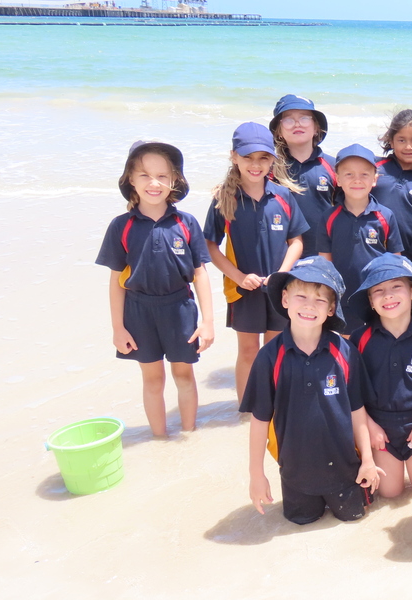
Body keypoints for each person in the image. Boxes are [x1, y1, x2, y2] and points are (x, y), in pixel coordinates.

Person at [242, 256, 380, 524]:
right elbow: (259, 420)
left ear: (331, 309)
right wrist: (256, 475)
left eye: (320, 300)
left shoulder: (345, 352)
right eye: (300, 296)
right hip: (295, 475)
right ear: (284, 299)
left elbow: (357, 411)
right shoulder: (269, 357)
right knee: (299, 525)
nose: (309, 306)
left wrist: (368, 460)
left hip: (346, 472)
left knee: (355, 522)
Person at [96, 141, 214, 436]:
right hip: (139, 312)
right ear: (130, 181)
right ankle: (159, 439)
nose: (154, 183)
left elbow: (200, 273)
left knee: (184, 374)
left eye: (163, 175)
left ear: (174, 180)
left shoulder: (186, 223)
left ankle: (190, 434)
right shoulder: (120, 226)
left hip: (180, 309)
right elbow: (116, 282)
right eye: (145, 175)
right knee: (152, 379)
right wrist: (117, 328)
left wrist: (208, 322)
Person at [204, 122, 308, 402]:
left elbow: (296, 242)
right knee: (248, 352)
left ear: (272, 159)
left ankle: (273, 407)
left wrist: (282, 275)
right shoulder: (223, 199)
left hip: (278, 290)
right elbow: (210, 246)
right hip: (242, 291)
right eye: (247, 157)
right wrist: (238, 277)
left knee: (274, 349)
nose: (255, 165)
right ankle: (247, 411)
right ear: (233, 156)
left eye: (263, 157)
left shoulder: (284, 196)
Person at [348, 254, 412, 499]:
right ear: (370, 301)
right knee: (389, 493)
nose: (388, 295)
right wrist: (370, 427)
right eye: (378, 290)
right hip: (380, 428)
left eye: (396, 287)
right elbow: (353, 393)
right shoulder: (359, 339)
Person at [317, 143, 403, 335]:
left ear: (375, 179)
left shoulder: (386, 216)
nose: (357, 180)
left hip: (378, 299)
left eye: (364, 174)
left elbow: (396, 263)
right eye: (349, 174)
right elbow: (325, 262)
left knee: (375, 347)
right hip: (343, 298)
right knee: (346, 351)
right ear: (337, 179)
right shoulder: (329, 217)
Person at [270, 94, 336, 258]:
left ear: (316, 128)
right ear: (278, 132)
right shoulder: (269, 169)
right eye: (288, 120)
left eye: (305, 118)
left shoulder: (334, 167)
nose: (297, 124)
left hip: (324, 258)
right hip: (282, 260)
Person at [373, 108, 412, 265]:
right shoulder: (373, 169)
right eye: (401, 140)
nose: (408, 147)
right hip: (369, 252)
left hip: (406, 261)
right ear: (391, 141)